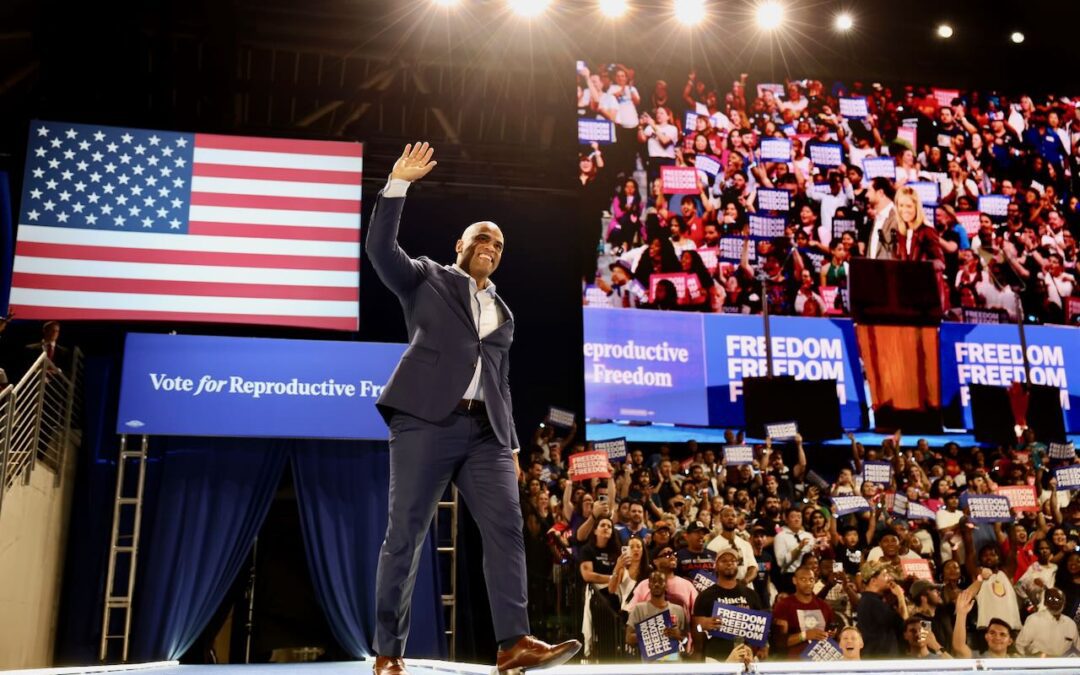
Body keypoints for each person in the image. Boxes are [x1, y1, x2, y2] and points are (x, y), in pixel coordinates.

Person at [366, 143, 580, 675]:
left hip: (485, 435)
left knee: (507, 529)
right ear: (459, 244)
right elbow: (380, 250)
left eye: (499, 243)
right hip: (424, 422)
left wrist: (509, 445)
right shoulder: (425, 278)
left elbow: (501, 381)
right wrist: (398, 184)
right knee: (406, 536)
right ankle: (388, 651)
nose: (491, 246)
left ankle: (513, 643)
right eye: (482, 237)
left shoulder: (504, 313)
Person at [692, 548, 767, 662]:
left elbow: (761, 627)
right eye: (724, 561)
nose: (729, 563)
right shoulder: (705, 596)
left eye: (733, 560)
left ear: (737, 565)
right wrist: (703, 624)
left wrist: (764, 646)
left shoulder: (751, 594)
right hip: (716, 658)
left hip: (746, 656)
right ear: (716, 566)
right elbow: (696, 629)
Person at [771, 565, 835, 657]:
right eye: (803, 580)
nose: (808, 583)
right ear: (794, 580)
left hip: (820, 660)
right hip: (795, 662)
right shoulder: (784, 605)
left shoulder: (824, 606)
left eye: (811, 580)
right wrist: (805, 635)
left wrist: (831, 633)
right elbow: (779, 641)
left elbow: (830, 634)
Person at [625, 570, 688, 661]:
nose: (657, 584)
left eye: (660, 581)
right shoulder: (639, 609)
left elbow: (686, 639)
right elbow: (628, 639)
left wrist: (679, 636)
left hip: (674, 662)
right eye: (653, 581)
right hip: (651, 665)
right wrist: (654, 634)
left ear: (666, 585)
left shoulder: (678, 610)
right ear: (649, 585)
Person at [855, 560, 908, 657]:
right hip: (882, 660)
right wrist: (900, 596)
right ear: (873, 581)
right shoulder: (874, 603)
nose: (889, 578)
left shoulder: (868, 600)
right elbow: (904, 623)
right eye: (884, 575)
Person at [1014, 587, 1079, 656]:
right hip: (1039, 663)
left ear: (1064, 603)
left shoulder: (1070, 624)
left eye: (1058, 599)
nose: (1055, 601)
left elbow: (1078, 648)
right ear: (1045, 602)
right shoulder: (1034, 620)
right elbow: (1020, 646)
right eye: (1051, 598)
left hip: (1062, 664)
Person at [951, 588, 1014, 658]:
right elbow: (959, 647)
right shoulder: (977, 658)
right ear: (986, 637)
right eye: (992, 633)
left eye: (1002, 634)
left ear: (1010, 641)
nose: (997, 637)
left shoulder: (1019, 661)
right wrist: (961, 614)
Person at [866, 177, 899, 259]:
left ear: (880, 192)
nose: (866, 195)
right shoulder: (876, 218)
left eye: (869, 190)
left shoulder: (897, 217)